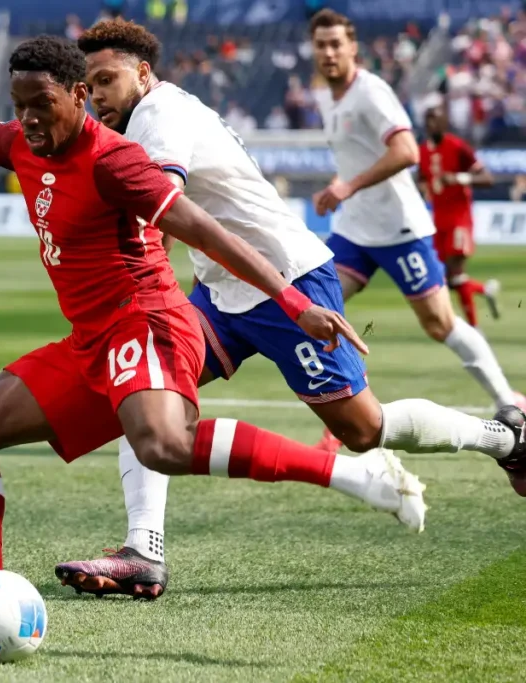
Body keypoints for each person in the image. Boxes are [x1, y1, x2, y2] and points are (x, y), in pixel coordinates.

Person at [0, 36, 434, 641]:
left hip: (147, 321)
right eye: (18, 104)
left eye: (41, 103)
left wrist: (294, 301)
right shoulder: (23, 140)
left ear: (77, 96)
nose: (28, 118)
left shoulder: (113, 160)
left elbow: (201, 228)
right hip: (91, 339)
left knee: (161, 445)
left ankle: (355, 476)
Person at [52, 19, 526, 600]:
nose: (98, 95)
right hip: (224, 293)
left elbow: (162, 214)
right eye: (90, 84)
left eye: (108, 79)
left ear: (143, 73)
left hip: (287, 283)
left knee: (365, 429)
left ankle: (505, 439)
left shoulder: (158, 118)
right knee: (147, 397)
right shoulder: (152, 115)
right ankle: (143, 549)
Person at [307, 10, 526, 446]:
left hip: (401, 229)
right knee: (318, 314)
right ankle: (346, 417)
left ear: (353, 48)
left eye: (337, 44)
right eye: (321, 45)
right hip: (355, 232)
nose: (329, 52)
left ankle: (510, 401)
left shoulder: (370, 91)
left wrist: (348, 185)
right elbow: (357, 157)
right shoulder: (327, 97)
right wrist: (342, 183)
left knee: (439, 324)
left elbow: (407, 151)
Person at [419, 105, 499, 327]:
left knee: (456, 273)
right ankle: (484, 290)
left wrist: (459, 179)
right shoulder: (423, 150)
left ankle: (474, 329)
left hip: (459, 219)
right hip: (438, 222)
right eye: (428, 121)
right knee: (447, 279)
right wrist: (422, 187)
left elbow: (488, 179)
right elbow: (420, 180)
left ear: (445, 123)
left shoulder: (457, 147)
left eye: (435, 120)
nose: (431, 125)